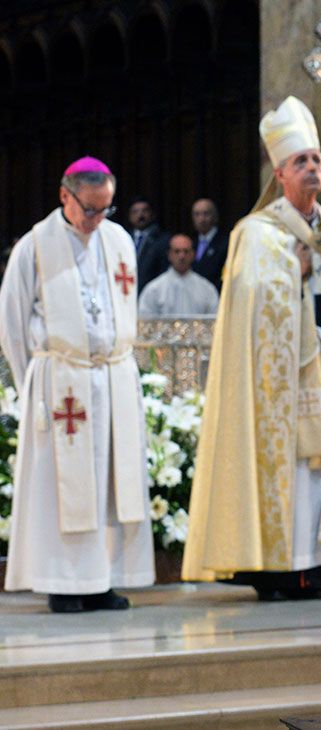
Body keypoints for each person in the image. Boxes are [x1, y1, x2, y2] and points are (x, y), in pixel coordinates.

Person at [181, 96, 321, 599]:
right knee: (293, 473)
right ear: (279, 174)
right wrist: (295, 274)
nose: (312, 168)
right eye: (301, 161)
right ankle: (280, 568)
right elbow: (251, 304)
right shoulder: (255, 235)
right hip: (277, 388)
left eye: (318, 160)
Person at [0, 157, 153, 612]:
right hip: (61, 382)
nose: (97, 219)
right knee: (61, 487)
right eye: (89, 209)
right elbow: (11, 320)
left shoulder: (119, 240)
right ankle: (63, 583)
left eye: (106, 209)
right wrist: (37, 381)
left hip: (112, 378)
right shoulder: (35, 246)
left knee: (107, 484)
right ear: (65, 196)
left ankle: (100, 580)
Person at [137, 234, 219, 318]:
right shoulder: (154, 290)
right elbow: (145, 322)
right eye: (177, 251)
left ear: (193, 254)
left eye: (186, 251)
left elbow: (215, 321)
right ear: (169, 255)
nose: (181, 256)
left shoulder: (207, 289)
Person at [125, 197, 169, 292]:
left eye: (144, 211)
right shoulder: (123, 237)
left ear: (152, 214)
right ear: (129, 216)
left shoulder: (162, 239)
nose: (140, 215)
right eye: (135, 212)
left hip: (152, 293)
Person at [190, 198, 229, 292]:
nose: (201, 219)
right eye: (197, 214)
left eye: (206, 214)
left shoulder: (225, 242)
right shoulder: (190, 243)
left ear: (215, 216)